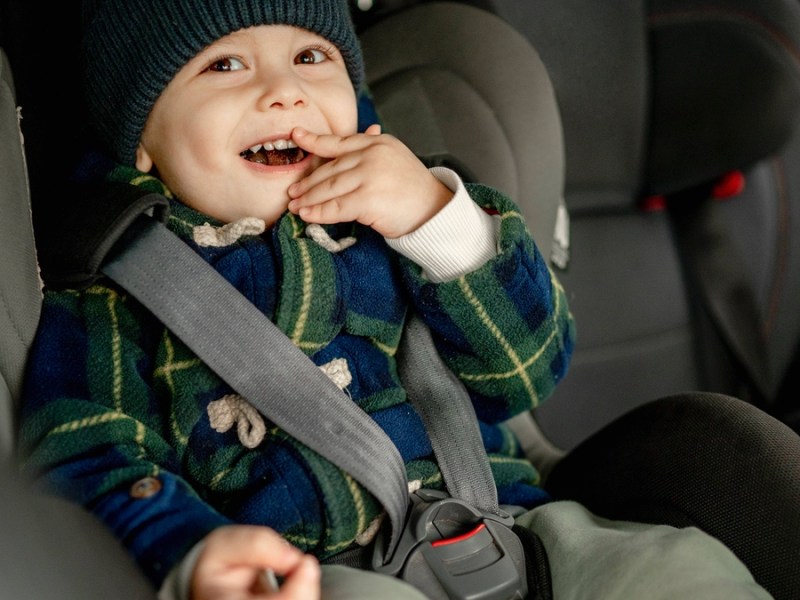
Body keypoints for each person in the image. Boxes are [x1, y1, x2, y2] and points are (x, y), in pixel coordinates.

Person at [19, 1, 770, 599]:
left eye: (313, 57)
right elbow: (85, 453)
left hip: (517, 528)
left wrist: (436, 223)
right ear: (143, 137)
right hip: (314, 571)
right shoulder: (116, 292)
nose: (285, 90)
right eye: (224, 65)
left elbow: (531, 373)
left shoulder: (411, 214)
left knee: (674, 568)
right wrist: (189, 553)